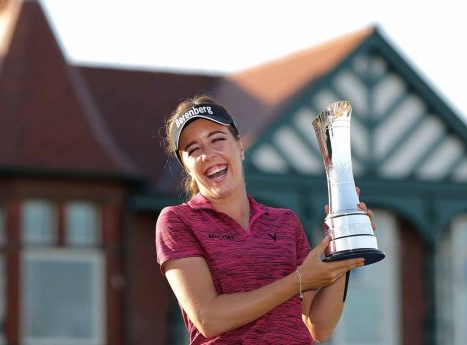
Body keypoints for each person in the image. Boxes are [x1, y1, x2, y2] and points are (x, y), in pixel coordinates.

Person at [155, 94, 375, 344]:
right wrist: (298, 280)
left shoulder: (284, 222)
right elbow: (208, 318)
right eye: (193, 149)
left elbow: (318, 327)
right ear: (186, 166)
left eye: (217, 139)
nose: (208, 154)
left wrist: (343, 249)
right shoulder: (177, 221)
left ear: (239, 147)